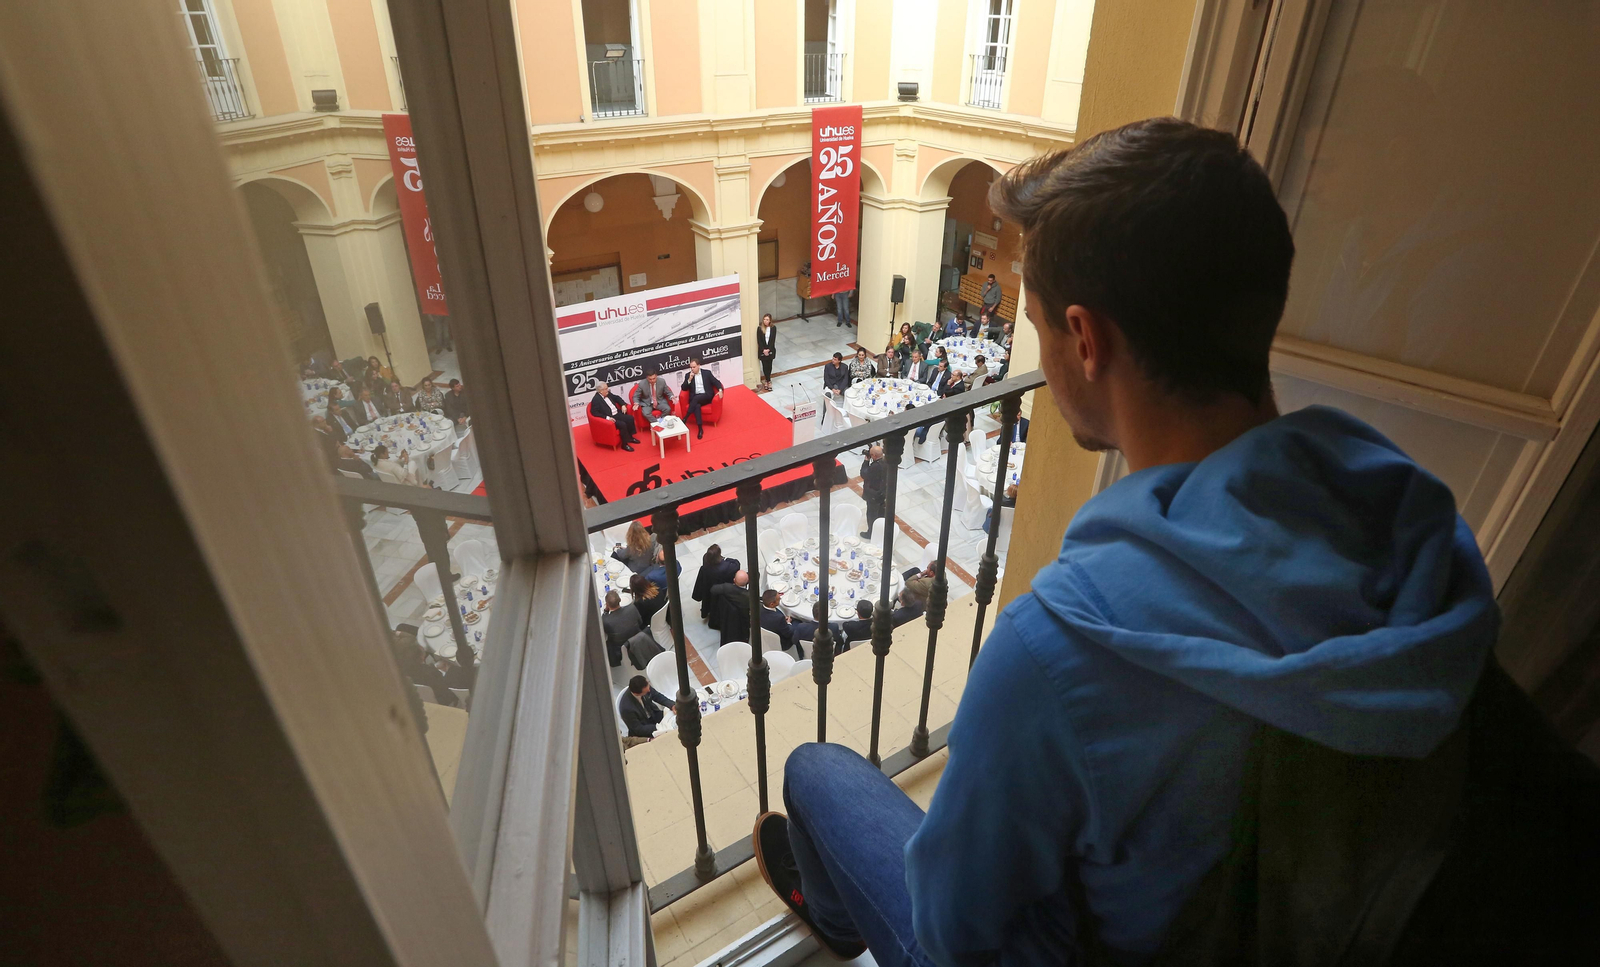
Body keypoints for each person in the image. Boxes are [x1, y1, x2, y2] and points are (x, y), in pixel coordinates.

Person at [748, 117, 1522, 966]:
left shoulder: (1054, 653)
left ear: (1085, 339)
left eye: (1035, 322)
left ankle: (842, 927)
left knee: (817, 771)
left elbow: (953, 936)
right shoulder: (1409, 515)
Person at [618, 675, 675, 748]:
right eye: (646, 690)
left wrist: (672, 705)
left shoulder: (645, 685)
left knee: (675, 719)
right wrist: (658, 727)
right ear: (637, 693)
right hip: (645, 729)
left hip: (654, 715)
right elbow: (638, 729)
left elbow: (657, 696)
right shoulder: (626, 708)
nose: (649, 690)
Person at [692, 544, 741, 623]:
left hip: (708, 588)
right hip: (722, 590)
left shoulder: (706, 560)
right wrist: (726, 559)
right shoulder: (727, 567)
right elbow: (737, 564)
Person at [680, 357, 723, 439]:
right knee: (697, 406)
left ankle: (685, 418)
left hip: (707, 396)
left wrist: (720, 390)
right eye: (691, 367)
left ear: (699, 366)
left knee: (695, 399)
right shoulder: (688, 375)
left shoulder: (707, 373)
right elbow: (684, 388)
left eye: (694, 367)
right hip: (696, 398)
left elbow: (716, 382)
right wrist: (689, 379)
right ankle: (700, 429)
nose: (692, 369)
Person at [601, 589, 646, 668]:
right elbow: (640, 622)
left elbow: (604, 630)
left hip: (619, 647)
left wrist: (605, 611)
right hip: (637, 638)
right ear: (620, 600)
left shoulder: (606, 620)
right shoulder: (632, 608)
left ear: (607, 605)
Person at [589, 380, 638, 452]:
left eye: (607, 388)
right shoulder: (596, 400)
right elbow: (594, 413)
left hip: (617, 413)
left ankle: (630, 437)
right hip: (610, 417)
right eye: (605, 389)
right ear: (600, 391)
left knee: (630, 418)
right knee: (622, 424)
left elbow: (617, 398)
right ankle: (624, 444)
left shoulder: (607, 394)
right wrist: (607, 418)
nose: (607, 390)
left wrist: (623, 405)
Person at [707, 570, 752, 646]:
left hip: (726, 616)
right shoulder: (749, 597)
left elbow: (713, 589)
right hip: (742, 622)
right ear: (748, 581)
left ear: (734, 580)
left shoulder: (727, 588)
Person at [859, 445, 886, 539]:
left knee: (872, 514)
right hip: (883, 492)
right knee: (881, 512)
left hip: (874, 494)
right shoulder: (886, 461)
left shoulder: (875, 466)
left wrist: (866, 461)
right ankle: (882, 529)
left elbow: (864, 474)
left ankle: (871, 533)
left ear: (874, 456)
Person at [759, 589, 796, 654]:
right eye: (778, 599)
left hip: (765, 633)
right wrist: (788, 623)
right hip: (783, 642)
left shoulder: (758, 608)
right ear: (772, 604)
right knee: (797, 624)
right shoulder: (779, 618)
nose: (780, 599)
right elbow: (788, 634)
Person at [756, 313, 778, 390]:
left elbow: (772, 340)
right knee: (765, 366)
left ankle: (767, 380)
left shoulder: (773, 328)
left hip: (770, 349)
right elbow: (759, 341)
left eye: (767, 320)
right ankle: (768, 381)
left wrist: (768, 349)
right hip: (763, 350)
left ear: (770, 320)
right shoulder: (760, 328)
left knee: (769, 365)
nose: (765, 321)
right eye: (764, 319)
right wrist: (764, 350)